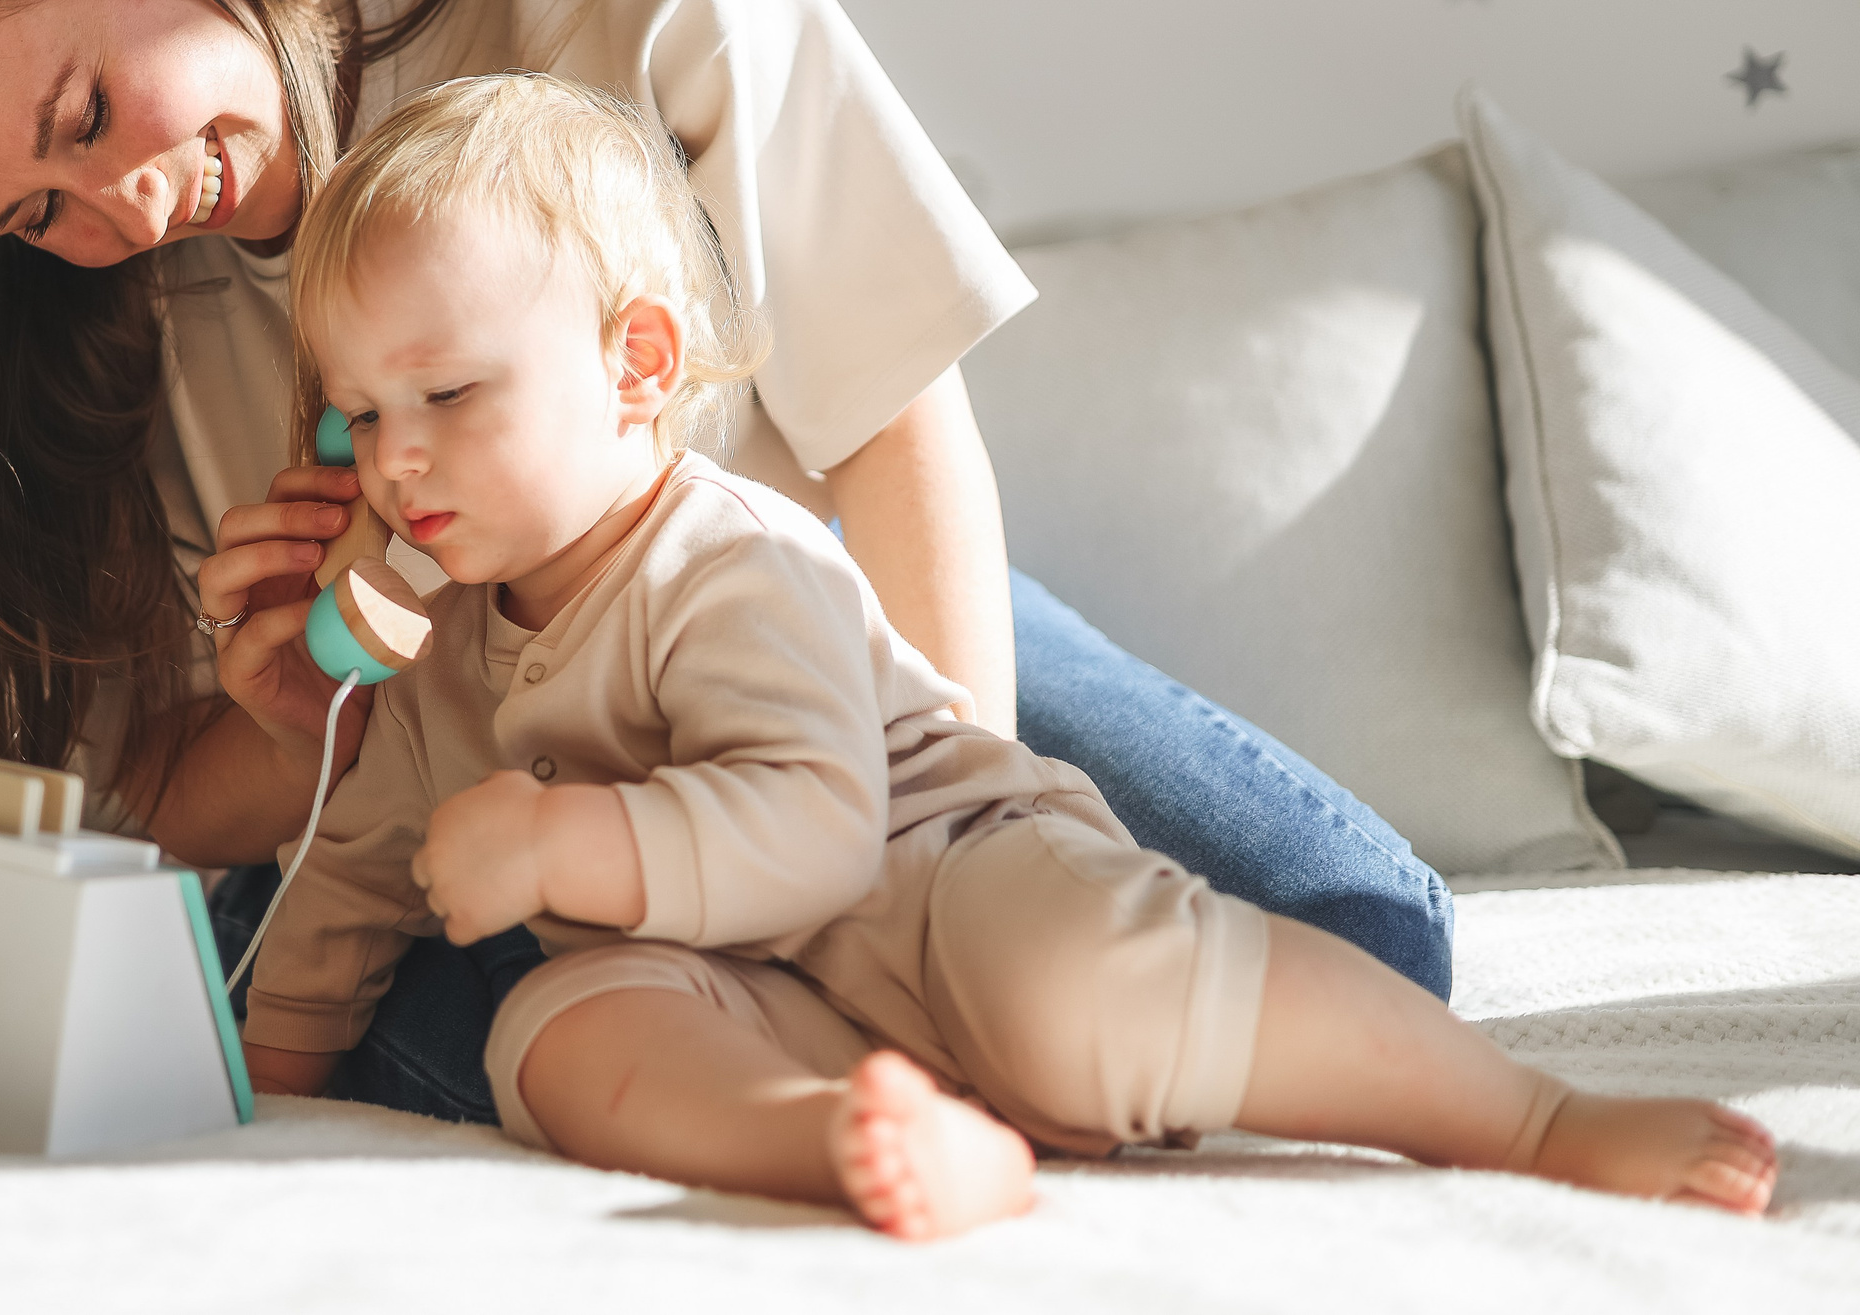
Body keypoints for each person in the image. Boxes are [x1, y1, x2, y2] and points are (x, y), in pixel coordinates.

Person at [0, 0, 1453, 1127]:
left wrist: (922, 892)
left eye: (88, 116)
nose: (125, 206)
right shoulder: (110, 333)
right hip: (491, 756)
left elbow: (888, 412)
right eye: (41, 211)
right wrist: (302, 728)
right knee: (474, 1005)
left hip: (824, 639)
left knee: (1356, 939)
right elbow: (201, 803)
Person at [238, 71, 1775, 1239]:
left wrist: (573, 836)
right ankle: (840, 1134)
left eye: (445, 394)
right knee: (559, 1034)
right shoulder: (433, 642)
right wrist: (272, 1069)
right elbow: (360, 855)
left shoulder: (736, 559)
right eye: (364, 414)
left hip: (935, 878)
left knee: (1081, 988)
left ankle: (1530, 1117)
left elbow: (817, 829)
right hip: (759, 989)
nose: (395, 462)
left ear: (636, 367)